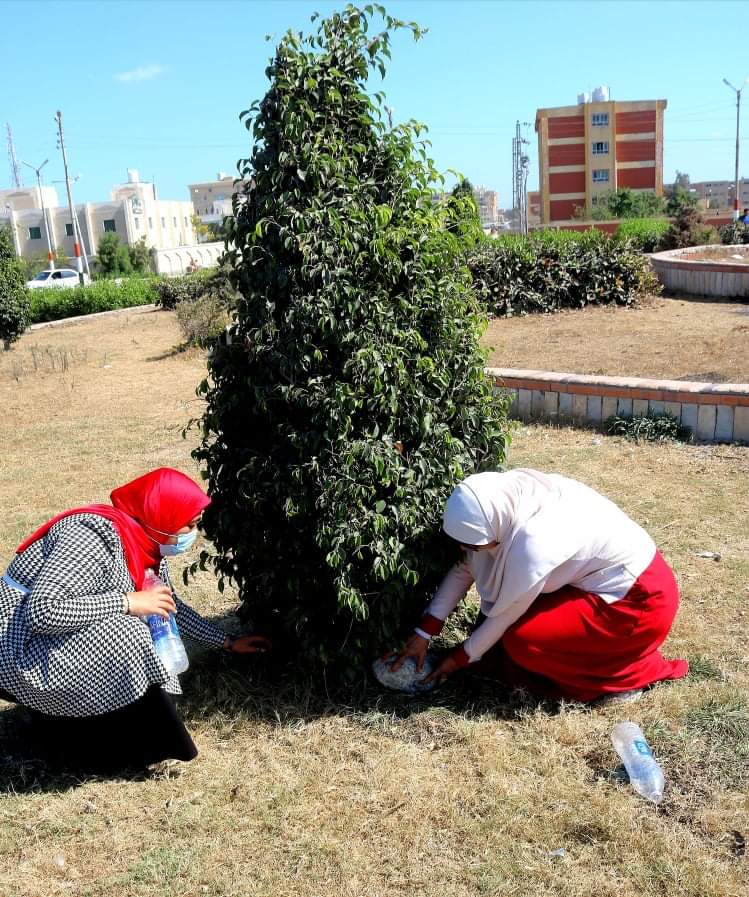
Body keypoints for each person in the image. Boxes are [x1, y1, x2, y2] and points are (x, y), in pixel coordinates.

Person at [0, 467, 269, 772]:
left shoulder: (145, 544)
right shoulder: (90, 537)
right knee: (129, 633)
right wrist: (128, 602)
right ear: (161, 515)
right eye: (189, 524)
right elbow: (43, 611)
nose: (192, 534)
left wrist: (227, 642)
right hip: (15, 644)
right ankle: (97, 745)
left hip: (45, 635)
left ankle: (105, 731)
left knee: (149, 622)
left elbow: (167, 605)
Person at [391, 468, 688, 703]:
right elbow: (465, 566)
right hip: (600, 584)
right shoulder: (508, 500)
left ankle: (625, 678)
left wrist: (457, 661)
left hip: (637, 601)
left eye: (474, 544)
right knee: (494, 641)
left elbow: (504, 617)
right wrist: (424, 632)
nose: (464, 550)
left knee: (523, 642)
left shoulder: (534, 544)